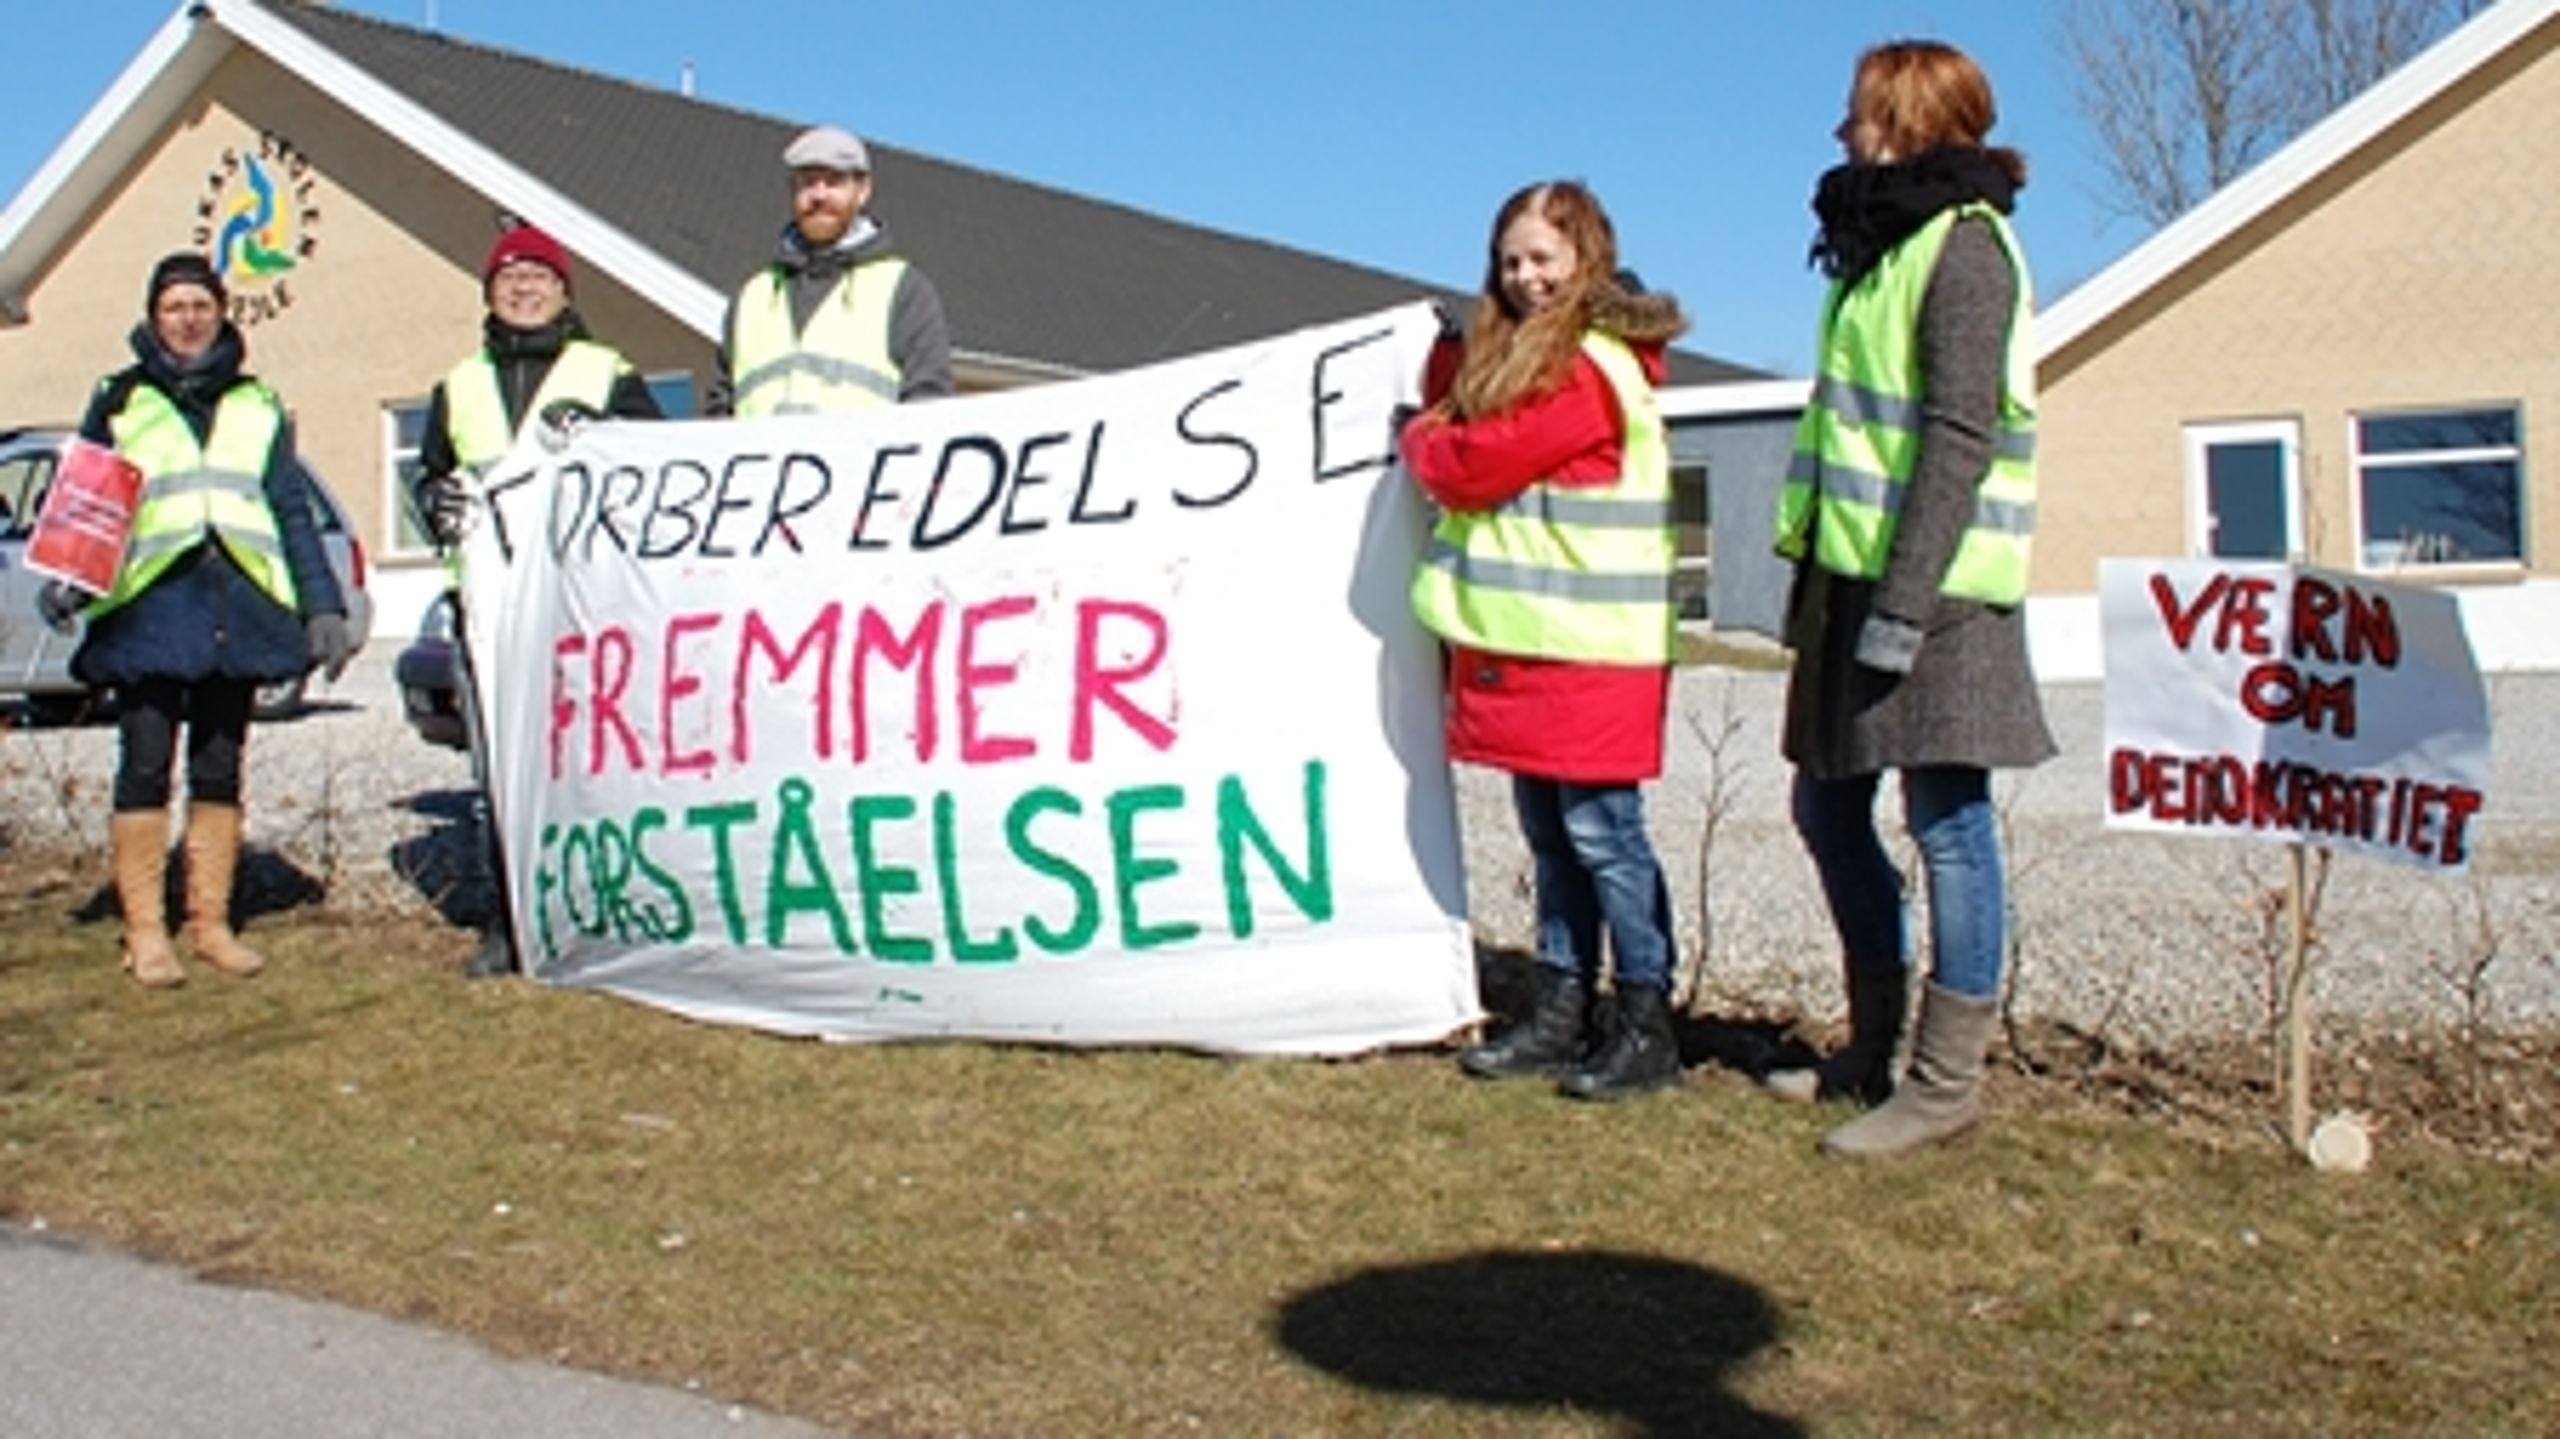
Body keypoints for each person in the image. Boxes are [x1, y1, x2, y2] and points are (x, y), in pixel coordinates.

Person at [1766, 39, 2057, 1157]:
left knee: (1949, 824)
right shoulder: (1873, 251)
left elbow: (1958, 435)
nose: (1842, 131)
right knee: (1826, 805)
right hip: (1852, 585)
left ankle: (1943, 1084)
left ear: (1909, 118)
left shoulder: (1967, 249)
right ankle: (1871, 1045)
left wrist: (1902, 599)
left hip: (1938, 597)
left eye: (1858, 113)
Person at [1401, 181, 1691, 1101]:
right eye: (1512, 260)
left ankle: (1644, 1021)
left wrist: (1420, 445)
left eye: (1543, 258)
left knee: (1605, 837)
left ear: (1586, 258)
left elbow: (1480, 461)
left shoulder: (1590, 366)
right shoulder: (1527, 355)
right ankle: (1563, 1008)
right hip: (1538, 645)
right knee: (1554, 838)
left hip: (1594, 650)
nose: (1526, 276)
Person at [35, 251, 353, 989]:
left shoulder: (260, 404)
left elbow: (290, 511)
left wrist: (323, 605)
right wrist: (69, 584)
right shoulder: (120, 399)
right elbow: (90, 503)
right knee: (145, 763)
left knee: (220, 764)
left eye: (200, 305)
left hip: (236, 610)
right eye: (173, 306)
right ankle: (146, 931)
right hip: (150, 608)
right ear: (153, 318)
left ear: (221, 315)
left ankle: (209, 923)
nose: (187, 318)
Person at [415, 224, 663, 978]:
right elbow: (429, 478)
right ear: (489, 293)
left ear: (564, 291)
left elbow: (656, 467)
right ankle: (508, 921)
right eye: (509, 278)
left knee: (590, 760)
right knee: (498, 773)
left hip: (580, 603)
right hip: (485, 606)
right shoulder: (456, 386)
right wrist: (435, 503)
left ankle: (605, 909)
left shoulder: (606, 372)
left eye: (539, 277)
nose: (524, 289)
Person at [706, 124, 953, 416]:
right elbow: (719, 415)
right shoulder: (752, 297)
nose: (819, 195)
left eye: (834, 181)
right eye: (808, 182)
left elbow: (929, 411)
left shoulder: (905, 292)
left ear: (863, 191)